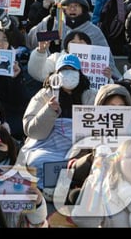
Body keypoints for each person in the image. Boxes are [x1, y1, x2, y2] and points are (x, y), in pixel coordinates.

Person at [17, 53, 97, 187]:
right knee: (36, 161)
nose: (68, 74)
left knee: (86, 163)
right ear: (56, 73)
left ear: (79, 73)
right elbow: (31, 130)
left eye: (72, 70)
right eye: (64, 70)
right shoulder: (44, 94)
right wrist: (48, 110)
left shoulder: (91, 96)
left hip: (78, 145)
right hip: (47, 144)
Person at [71, 137, 131, 227]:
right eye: (129, 156)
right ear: (118, 162)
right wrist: (96, 181)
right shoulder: (105, 187)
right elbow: (84, 222)